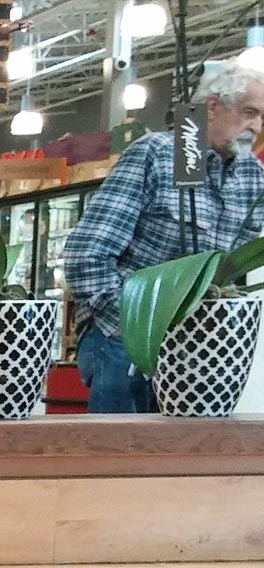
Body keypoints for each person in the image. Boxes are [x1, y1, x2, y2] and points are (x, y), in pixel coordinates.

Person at [64, 59, 264, 413]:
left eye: (263, 118)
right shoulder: (155, 154)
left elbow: (234, 269)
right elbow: (86, 253)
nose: (256, 126)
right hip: (122, 339)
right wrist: (129, 326)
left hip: (197, 344)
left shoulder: (252, 178)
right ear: (213, 106)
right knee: (121, 458)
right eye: (249, 112)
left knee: (185, 459)